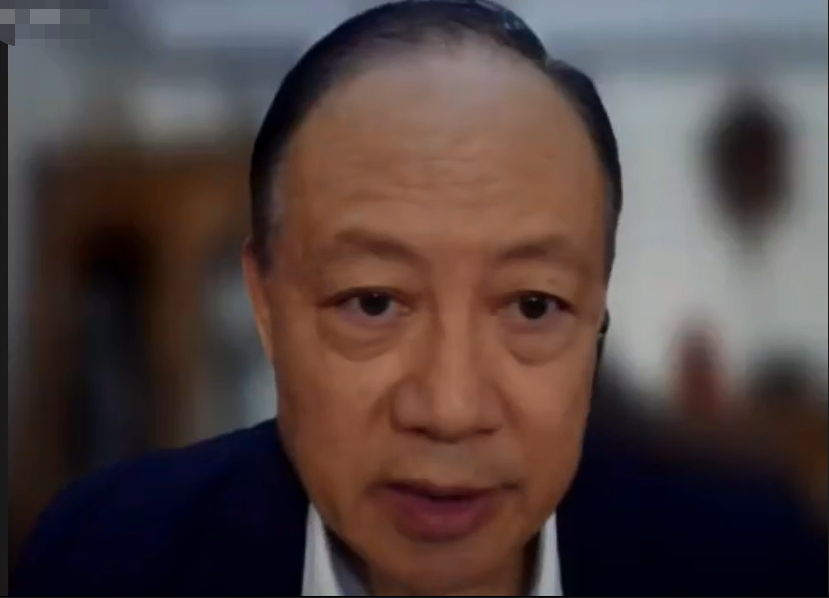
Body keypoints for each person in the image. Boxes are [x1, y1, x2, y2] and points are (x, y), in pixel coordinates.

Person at [11, 1, 826, 595]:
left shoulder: (756, 566)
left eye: (533, 305)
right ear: (265, 305)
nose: (449, 407)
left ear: (596, 320)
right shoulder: (104, 560)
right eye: (372, 301)